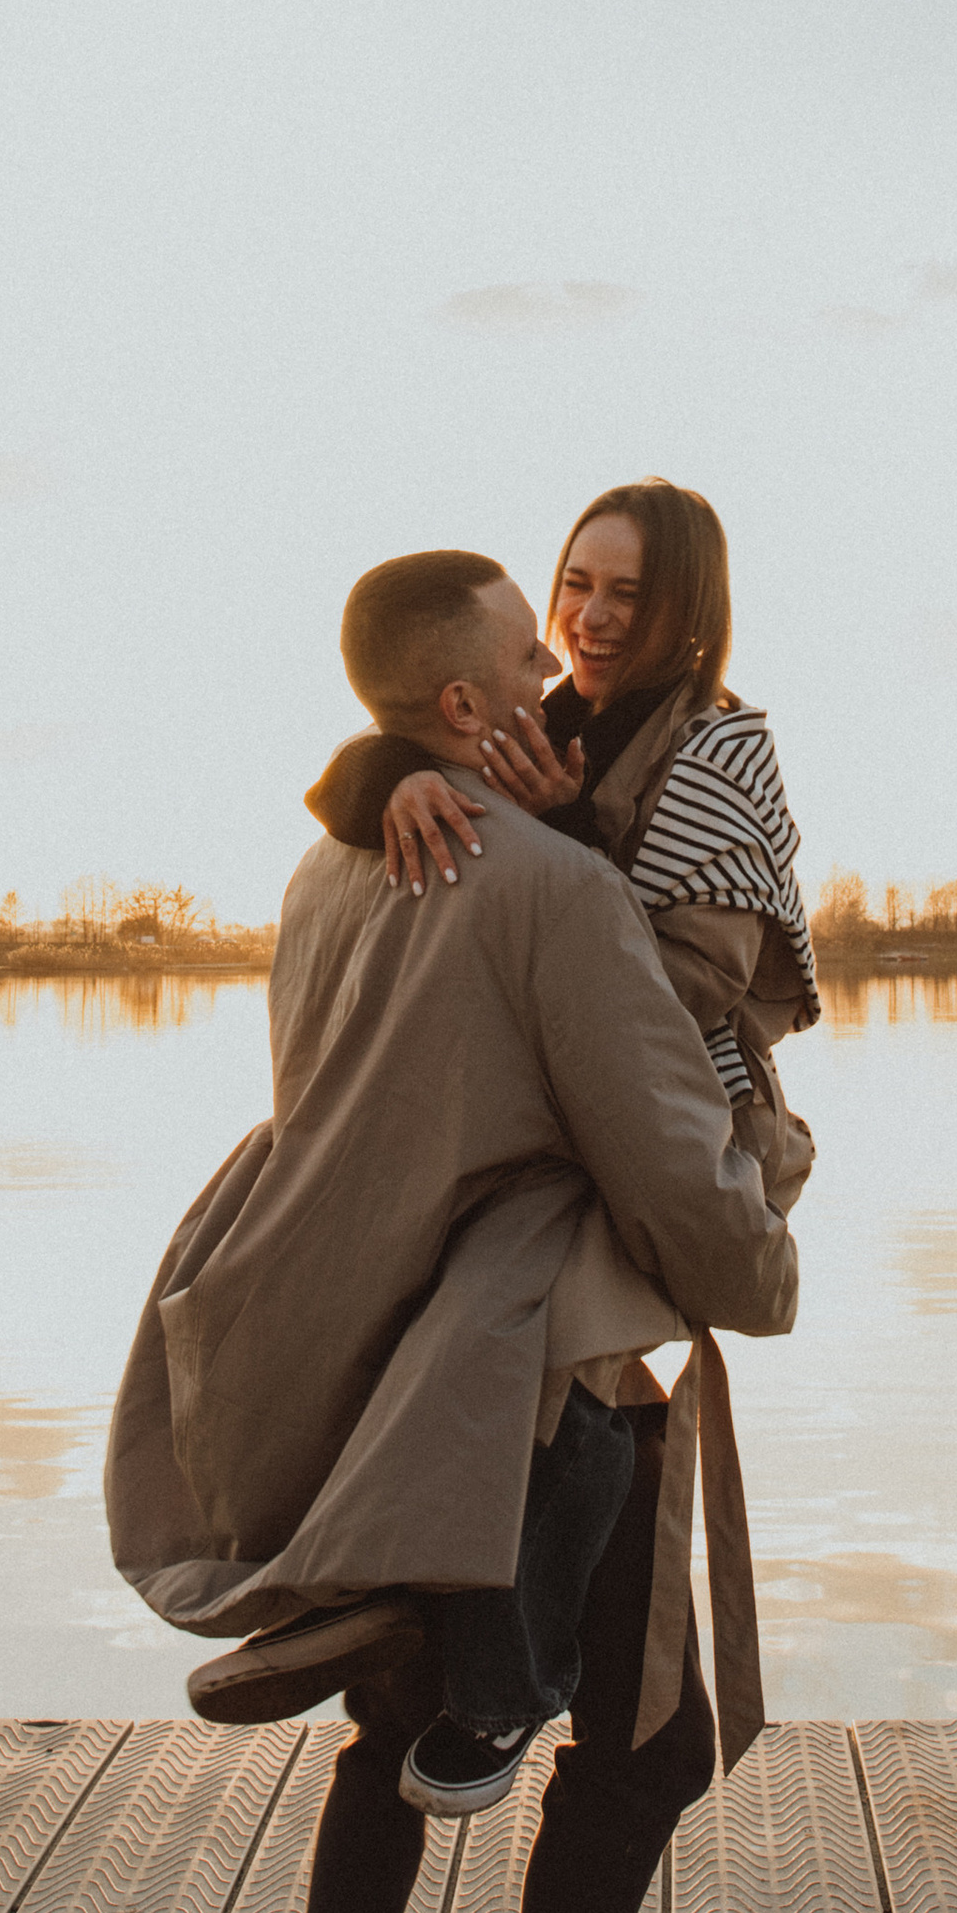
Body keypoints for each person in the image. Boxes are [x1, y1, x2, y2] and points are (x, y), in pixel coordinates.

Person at [104, 547, 799, 1913]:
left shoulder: (329, 866)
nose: (562, 662)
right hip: (536, 1367)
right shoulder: (549, 883)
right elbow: (664, 1158)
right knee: (645, 1742)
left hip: (370, 1363)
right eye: (527, 641)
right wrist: (769, 1234)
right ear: (469, 707)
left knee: (399, 1729)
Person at [299, 479, 821, 1801]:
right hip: (538, 1116)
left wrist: (570, 834)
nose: (585, 619)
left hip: (659, 1118)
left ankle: (498, 1684)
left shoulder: (718, 748)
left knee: (568, 1378)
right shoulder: (546, 717)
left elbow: (690, 983)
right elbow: (407, 741)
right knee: (455, 1346)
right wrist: (400, 776)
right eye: (572, 585)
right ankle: (406, 1623)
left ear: (686, 611)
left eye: (624, 594)